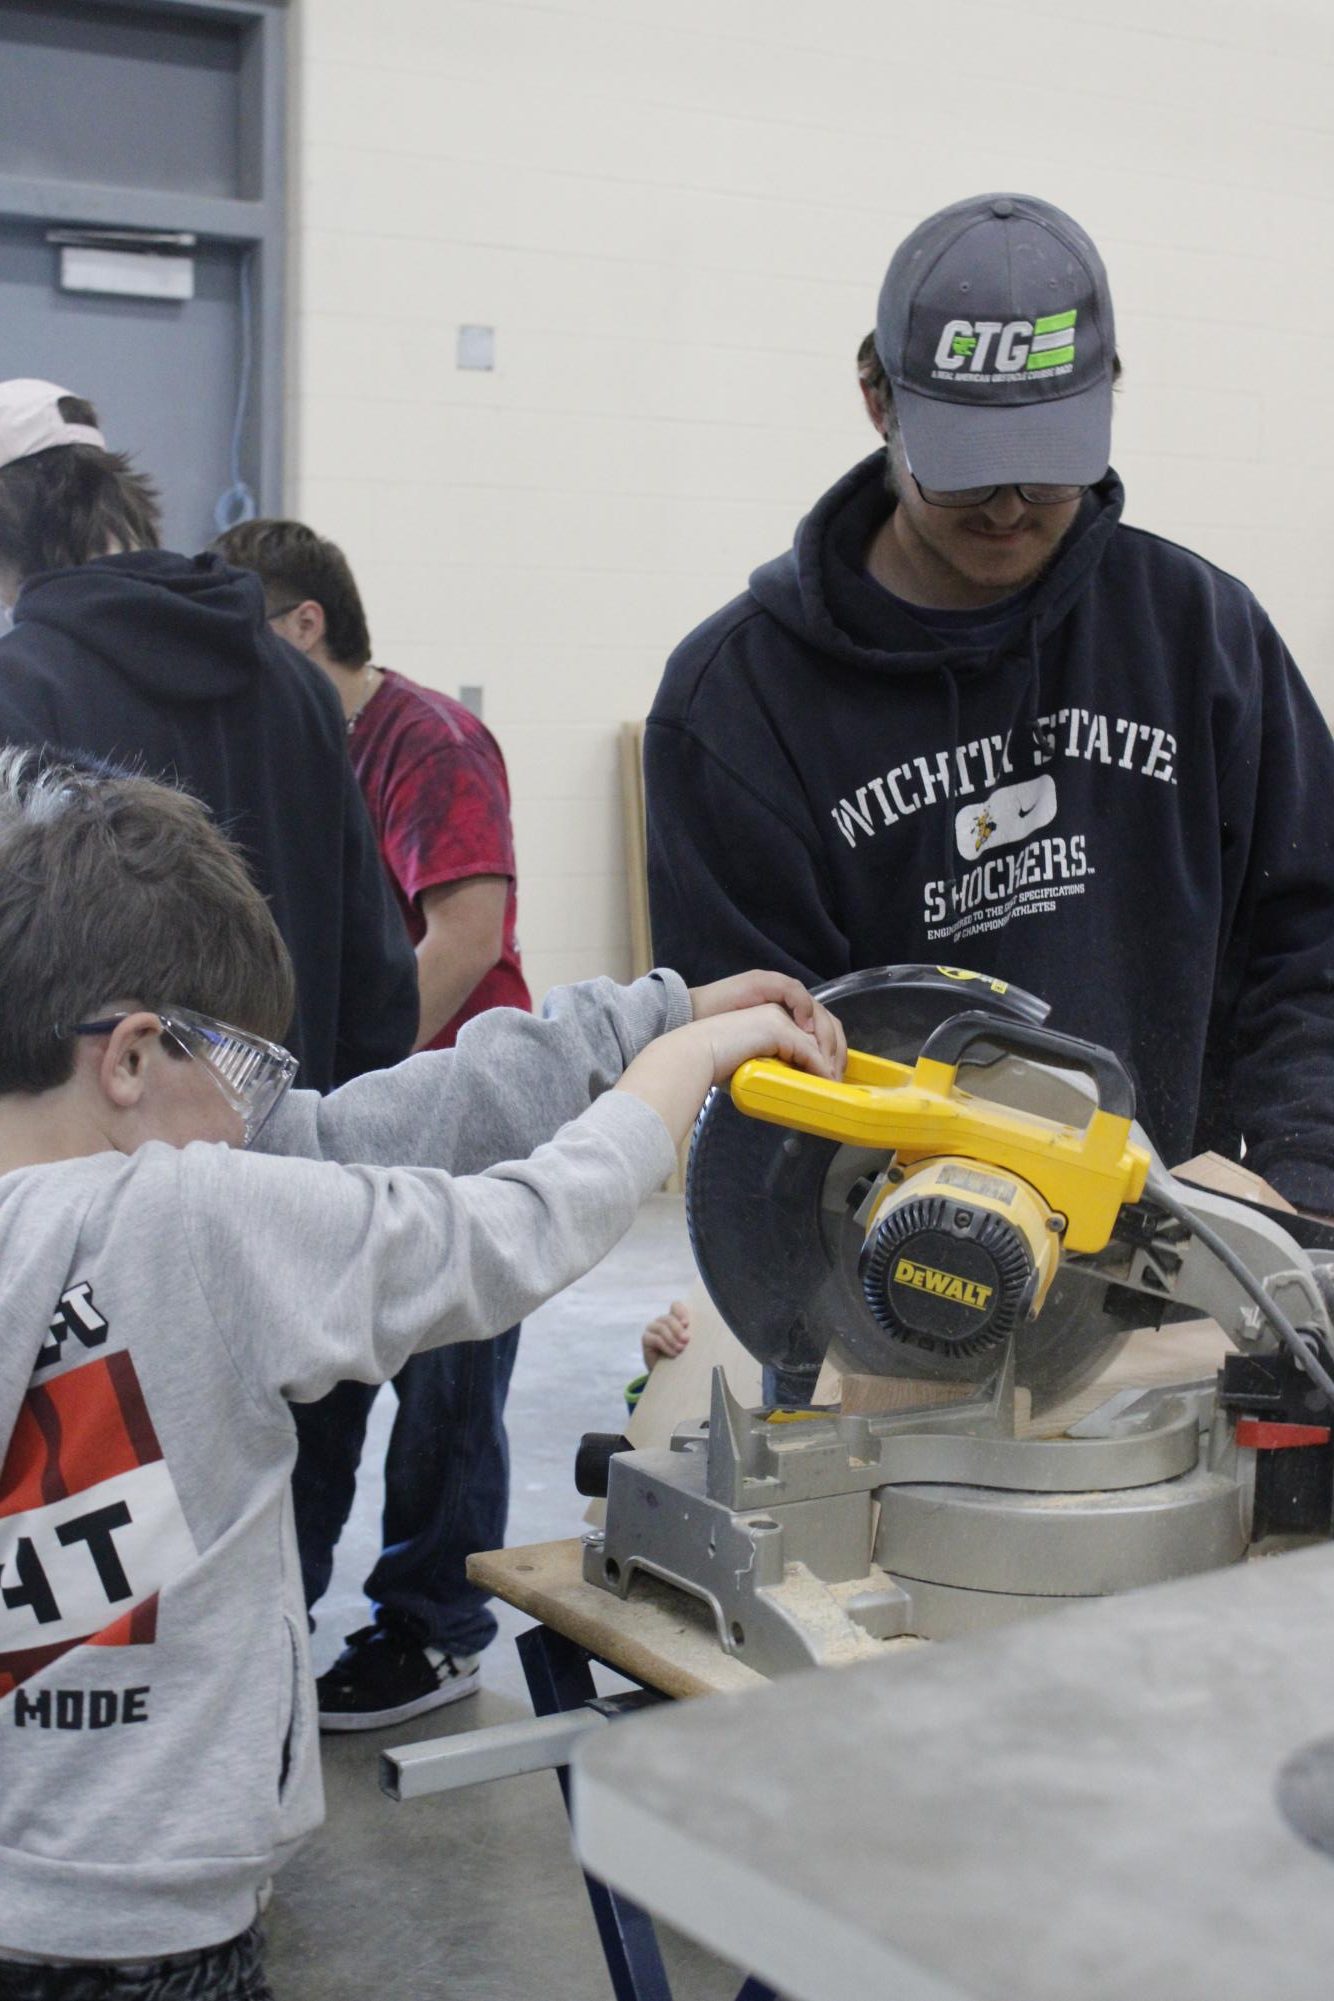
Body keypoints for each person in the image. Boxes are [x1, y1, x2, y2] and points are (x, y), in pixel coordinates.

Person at [0, 749, 844, 1994]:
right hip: (153, 1925)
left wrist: (651, 1011)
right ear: (129, 1057)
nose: (252, 1126)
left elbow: (360, 1133)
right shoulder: (193, 1218)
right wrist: (666, 1078)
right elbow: (509, 1235)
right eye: (236, 1076)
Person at [645, 192, 1334, 1214]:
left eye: (1045, 467)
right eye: (967, 471)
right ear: (878, 399)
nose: (1007, 504)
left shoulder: (1198, 637)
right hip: (887, 1284)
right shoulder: (737, 707)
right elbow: (763, 1070)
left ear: (1109, 394)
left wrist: (1295, 1181)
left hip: (1182, 1251)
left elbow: (1310, 932)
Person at [214, 517, 528, 1728]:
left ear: (304, 626)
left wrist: (352, 1095)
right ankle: (270, 1619)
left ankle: (433, 1628)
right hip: (344, 1113)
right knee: (318, 1381)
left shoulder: (429, 743)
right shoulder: (293, 743)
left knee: (447, 1393)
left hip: (454, 1118)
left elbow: (459, 941)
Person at [0, 378, 417, 1093]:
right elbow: (378, 989)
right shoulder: (301, 684)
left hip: (102, 1178)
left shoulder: (21, 689)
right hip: (293, 1161)